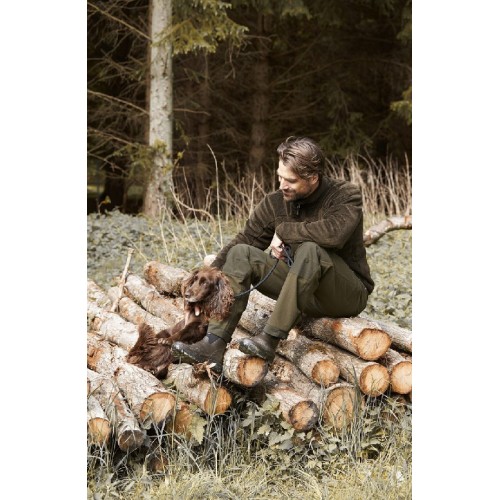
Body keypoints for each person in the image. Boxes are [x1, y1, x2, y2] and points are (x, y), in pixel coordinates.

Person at [172, 136, 374, 372]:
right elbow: (246, 239)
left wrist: (284, 231)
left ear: (313, 178)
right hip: (301, 290)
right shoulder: (276, 203)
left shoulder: (345, 195)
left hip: (345, 294)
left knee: (311, 250)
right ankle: (213, 344)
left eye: (291, 180)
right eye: (280, 177)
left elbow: (333, 235)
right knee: (241, 253)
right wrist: (203, 284)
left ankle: (269, 340)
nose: (282, 185)